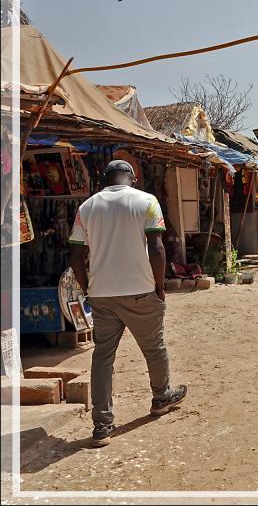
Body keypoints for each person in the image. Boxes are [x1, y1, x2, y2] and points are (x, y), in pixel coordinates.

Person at [68, 160, 187, 448]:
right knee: (153, 348)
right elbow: (157, 248)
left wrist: (88, 288)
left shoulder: (87, 208)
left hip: (102, 295)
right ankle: (161, 398)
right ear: (132, 178)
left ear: (104, 179)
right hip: (140, 291)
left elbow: (74, 255)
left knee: (103, 358)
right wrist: (159, 286)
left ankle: (102, 425)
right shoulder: (147, 201)